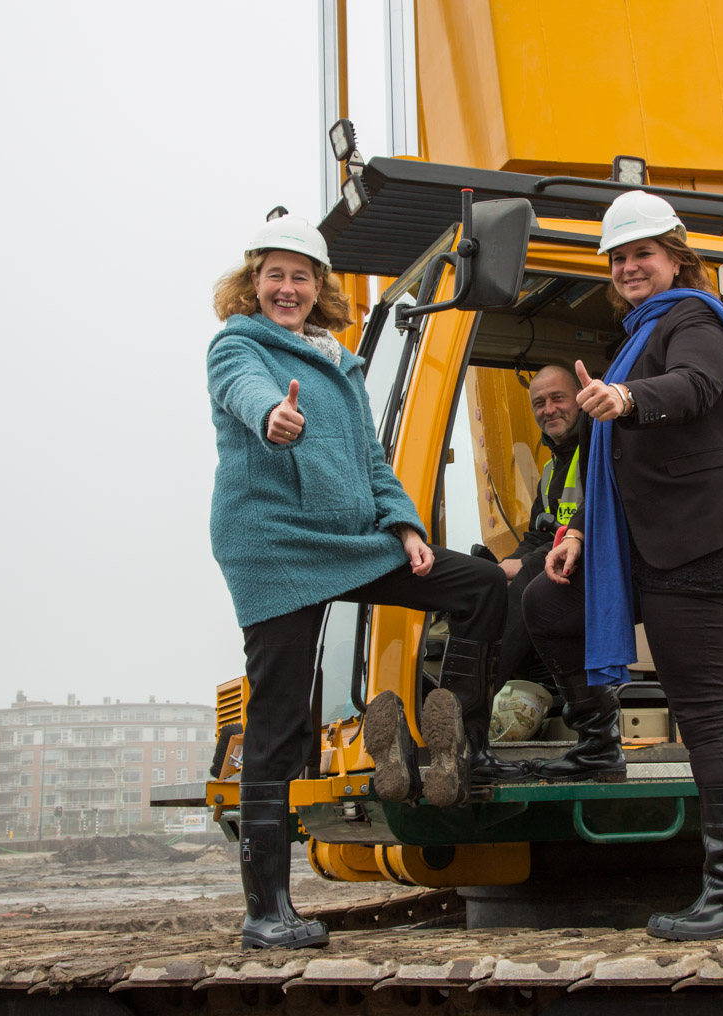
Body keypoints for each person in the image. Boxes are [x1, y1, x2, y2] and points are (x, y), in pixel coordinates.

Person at [206, 212, 519, 950]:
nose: (288, 287)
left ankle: (460, 742)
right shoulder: (237, 345)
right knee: (280, 723)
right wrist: (272, 418)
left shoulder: (342, 364)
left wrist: (407, 527)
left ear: (319, 288)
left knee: (478, 586)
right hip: (277, 544)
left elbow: (374, 466)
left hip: (352, 538)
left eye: (301, 276)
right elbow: (245, 394)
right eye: (275, 274)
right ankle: (266, 909)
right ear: (255, 283)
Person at [520, 190, 723, 942]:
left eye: (641, 254)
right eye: (618, 258)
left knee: (708, 714)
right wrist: (582, 530)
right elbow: (618, 462)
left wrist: (623, 395)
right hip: (652, 537)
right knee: (549, 607)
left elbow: (694, 389)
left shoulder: (693, 318)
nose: (628, 267)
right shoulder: (636, 332)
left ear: (676, 257)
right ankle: (599, 746)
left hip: (705, 537)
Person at [492, 364, 582, 694]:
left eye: (558, 398)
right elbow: (538, 533)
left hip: (594, 566)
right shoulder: (551, 467)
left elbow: (599, 524)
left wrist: (526, 563)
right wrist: (504, 566)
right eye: (539, 403)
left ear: (581, 399)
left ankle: (492, 696)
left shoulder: (598, 450)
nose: (549, 410)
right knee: (492, 578)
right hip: (561, 562)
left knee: (532, 573)